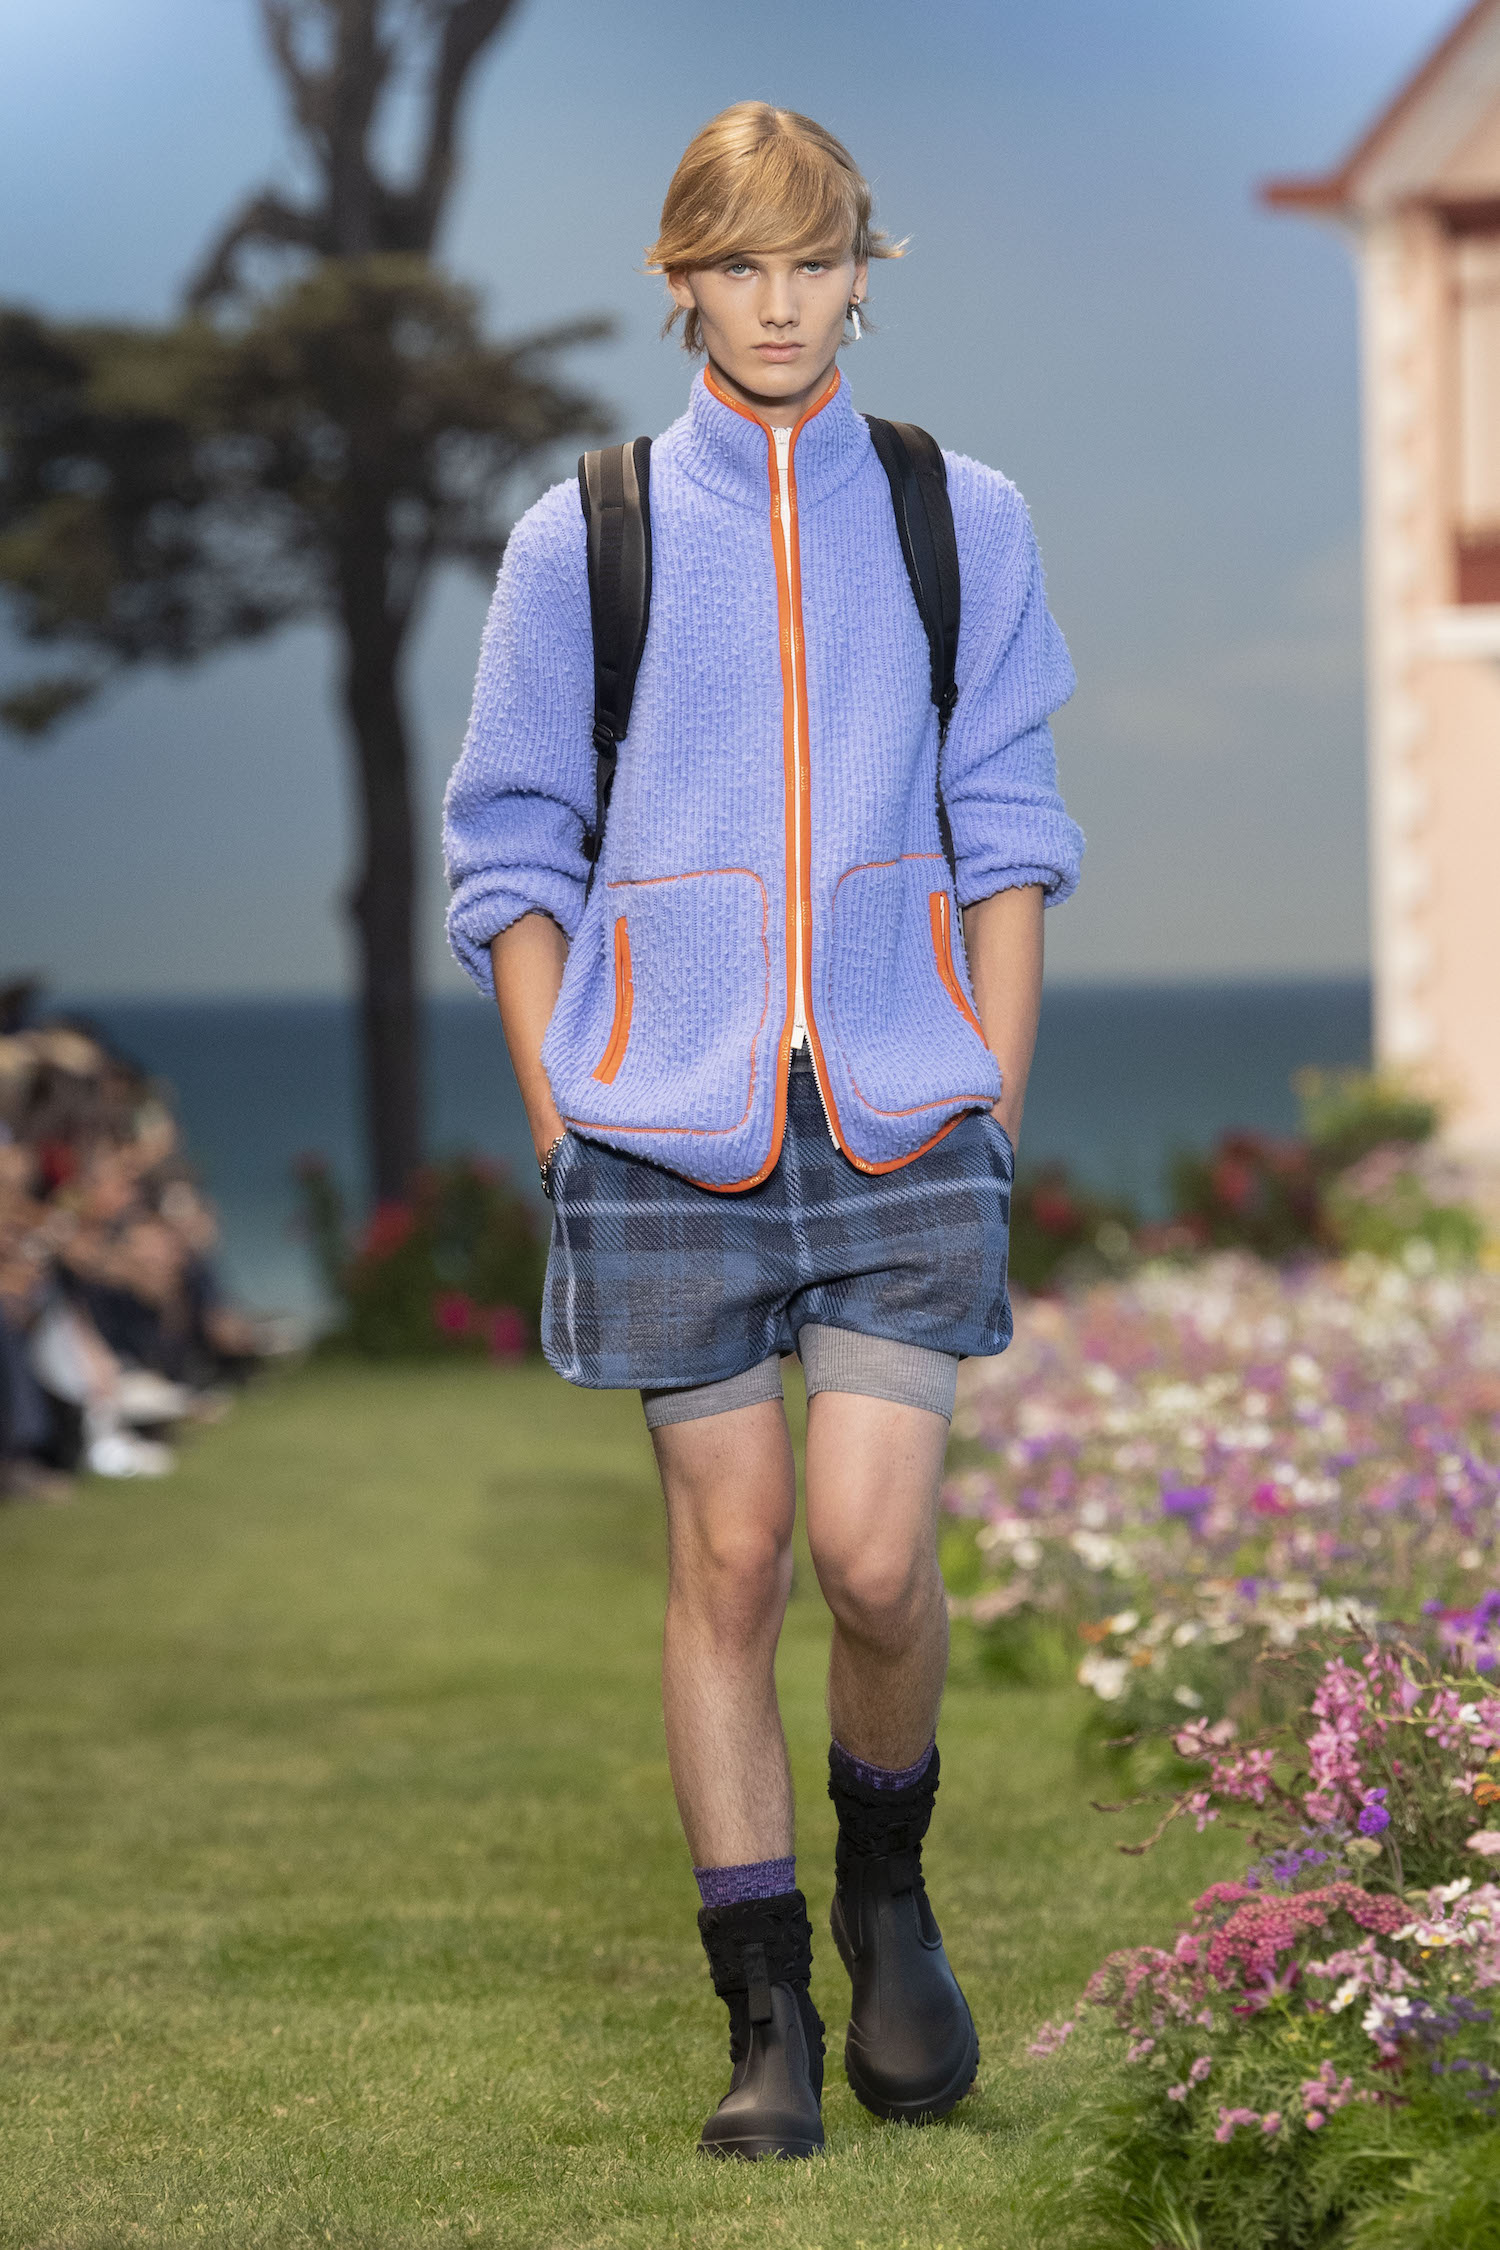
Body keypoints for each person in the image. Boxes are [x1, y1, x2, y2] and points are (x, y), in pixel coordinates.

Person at [444, 102, 1083, 2159]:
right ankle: (767, 2009)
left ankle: (889, 1892)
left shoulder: (963, 515)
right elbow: (511, 848)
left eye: (814, 263)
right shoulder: (584, 536)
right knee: (726, 1559)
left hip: (904, 1112)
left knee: (874, 1559)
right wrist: (563, 1110)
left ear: (863, 274)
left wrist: (992, 1087)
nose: (780, 303)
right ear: (682, 284)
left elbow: (1010, 825)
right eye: (739, 266)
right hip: (659, 1124)